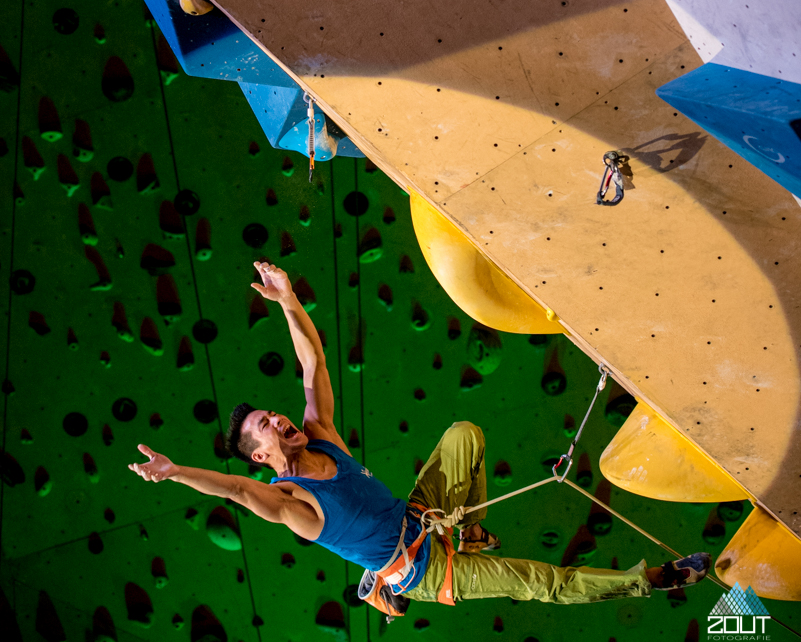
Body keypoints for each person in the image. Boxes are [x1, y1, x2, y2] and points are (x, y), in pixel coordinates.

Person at [129, 262, 711, 615]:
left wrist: (289, 300)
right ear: (262, 455)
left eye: (273, 413)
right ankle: (656, 579)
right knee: (539, 583)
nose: (279, 419)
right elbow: (235, 492)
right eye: (266, 427)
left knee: (464, 434)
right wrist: (175, 471)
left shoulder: (319, 435)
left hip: (421, 514)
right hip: (425, 571)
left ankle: (473, 528)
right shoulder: (291, 502)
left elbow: (313, 364)